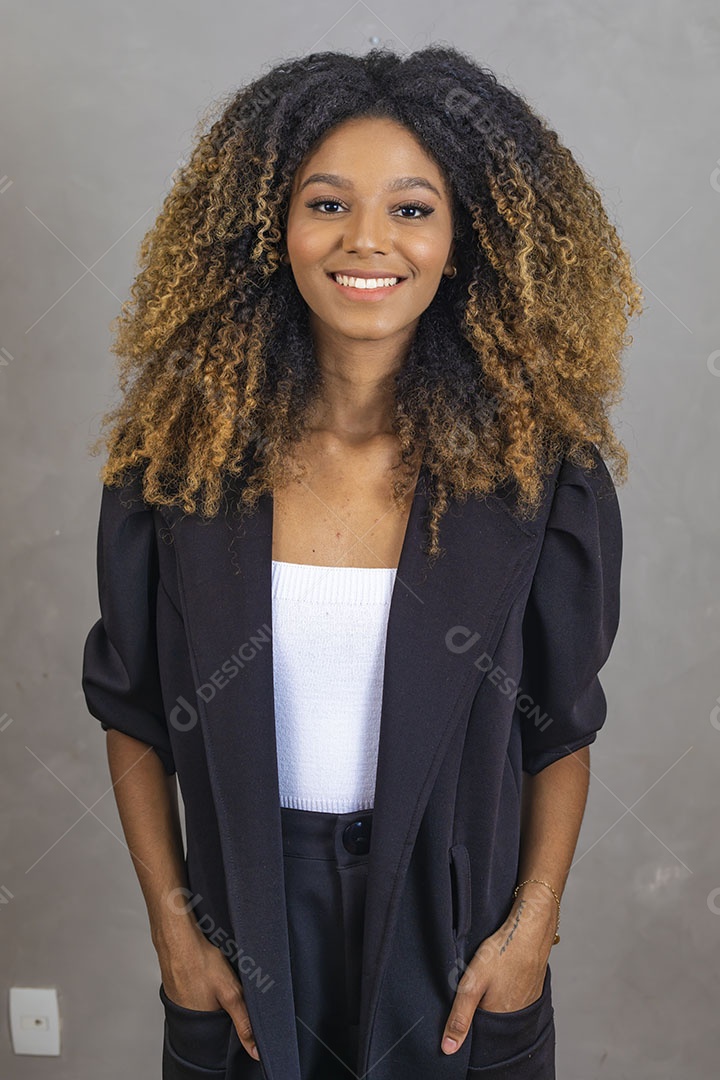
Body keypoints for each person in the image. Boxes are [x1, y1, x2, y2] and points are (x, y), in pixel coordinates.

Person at [81, 45, 643, 1079]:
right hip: (249, 915)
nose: (368, 241)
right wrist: (174, 928)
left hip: (455, 926)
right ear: (269, 228)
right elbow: (135, 710)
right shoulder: (177, 467)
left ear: (467, 238)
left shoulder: (538, 478)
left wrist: (533, 930)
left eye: (414, 210)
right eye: (327, 203)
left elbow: (561, 725)